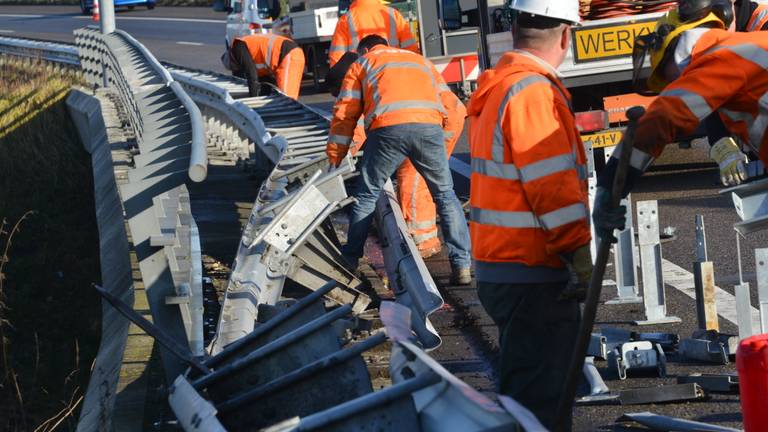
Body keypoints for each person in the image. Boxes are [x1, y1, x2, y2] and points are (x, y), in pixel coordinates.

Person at [466, 0, 590, 428]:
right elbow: (552, 186)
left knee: (525, 396)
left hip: (501, 267)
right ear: (566, 36)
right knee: (540, 406)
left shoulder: (501, 86)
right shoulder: (533, 92)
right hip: (532, 269)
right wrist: (579, 255)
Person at [595, 6, 768, 240]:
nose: (674, 84)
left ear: (675, 49)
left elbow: (661, 118)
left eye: (669, 77)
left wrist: (609, 187)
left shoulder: (720, 57)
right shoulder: (739, 53)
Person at [326, 35, 473, 285]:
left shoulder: (363, 63)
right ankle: (462, 265)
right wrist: (441, 139)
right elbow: (448, 104)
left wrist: (337, 155)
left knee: (367, 195)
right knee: (446, 195)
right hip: (429, 127)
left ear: (364, 49)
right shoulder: (420, 61)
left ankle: (350, 259)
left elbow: (345, 114)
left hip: (387, 128)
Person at [396, 89, 466, 258]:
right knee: (437, 185)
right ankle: (461, 260)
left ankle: (424, 242)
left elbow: (358, 132)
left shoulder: (363, 75)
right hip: (445, 110)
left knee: (414, 177)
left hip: (434, 116)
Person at [328, 0, 419, 67]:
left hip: (362, 76)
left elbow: (337, 57)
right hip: (393, 71)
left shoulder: (346, 19)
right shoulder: (393, 14)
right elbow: (411, 50)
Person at [225, 33, 305, 99]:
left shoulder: (238, 46)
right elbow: (265, 82)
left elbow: (252, 75)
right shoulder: (252, 52)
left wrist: (253, 101)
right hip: (289, 53)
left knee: (286, 99)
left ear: (233, 59)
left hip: (288, 54)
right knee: (282, 98)